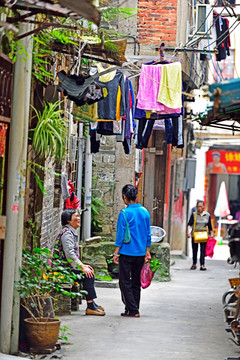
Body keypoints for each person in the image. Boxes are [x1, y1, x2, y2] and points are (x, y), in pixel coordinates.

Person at [57, 209, 105, 316]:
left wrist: (83, 265)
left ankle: (92, 303)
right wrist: (82, 267)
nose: (79, 218)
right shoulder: (67, 234)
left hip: (68, 268)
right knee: (88, 275)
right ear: (68, 220)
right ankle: (90, 306)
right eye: (76, 216)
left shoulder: (70, 232)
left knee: (89, 271)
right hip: (64, 270)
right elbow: (69, 254)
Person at [113, 184, 151, 318]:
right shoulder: (145, 212)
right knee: (136, 282)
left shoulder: (124, 213)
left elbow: (120, 235)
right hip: (140, 253)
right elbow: (148, 233)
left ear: (124, 197)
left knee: (124, 281)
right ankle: (133, 309)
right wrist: (147, 250)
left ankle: (133, 309)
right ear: (136, 197)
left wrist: (116, 252)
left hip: (126, 252)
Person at [187, 200, 213, 271]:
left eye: (201, 206)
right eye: (198, 206)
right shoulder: (194, 214)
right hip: (195, 234)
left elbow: (210, 226)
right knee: (194, 250)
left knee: (203, 250)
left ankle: (202, 264)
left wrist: (211, 235)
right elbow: (189, 224)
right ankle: (194, 264)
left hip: (203, 234)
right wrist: (188, 232)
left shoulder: (207, 215)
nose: (199, 208)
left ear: (204, 207)